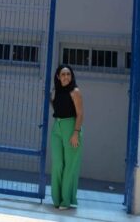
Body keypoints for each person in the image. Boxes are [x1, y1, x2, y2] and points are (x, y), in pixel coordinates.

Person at [50, 64, 83, 210]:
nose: (66, 77)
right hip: (57, 128)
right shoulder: (56, 91)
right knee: (57, 164)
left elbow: (80, 114)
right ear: (58, 76)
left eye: (68, 74)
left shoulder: (75, 91)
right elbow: (58, 108)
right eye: (63, 74)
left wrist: (76, 132)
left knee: (70, 166)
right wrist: (51, 99)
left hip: (71, 128)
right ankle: (56, 199)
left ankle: (66, 201)